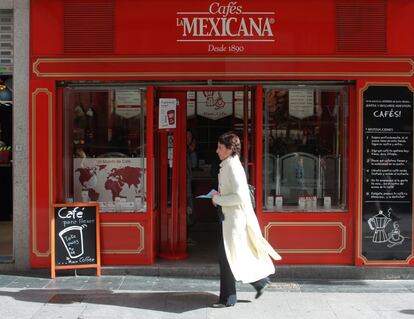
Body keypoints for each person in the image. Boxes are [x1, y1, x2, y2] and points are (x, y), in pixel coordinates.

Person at [211, 132, 281, 308]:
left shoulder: (232, 167)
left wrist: (217, 199)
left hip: (234, 221)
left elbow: (239, 197)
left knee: (226, 257)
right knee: (231, 255)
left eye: (220, 147)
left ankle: (228, 298)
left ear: (229, 149)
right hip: (232, 219)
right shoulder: (229, 165)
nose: (216, 150)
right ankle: (260, 282)